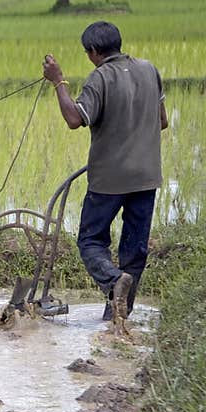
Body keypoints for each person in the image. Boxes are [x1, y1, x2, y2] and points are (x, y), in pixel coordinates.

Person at [42, 21, 168, 325]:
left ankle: (113, 283)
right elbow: (161, 121)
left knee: (90, 241)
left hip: (109, 179)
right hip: (147, 176)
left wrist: (58, 82)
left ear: (94, 51)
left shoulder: (100, 77)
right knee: (134, 250)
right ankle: (117, 319)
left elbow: (75, 119)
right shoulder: (149, 70)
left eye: (88, 53)